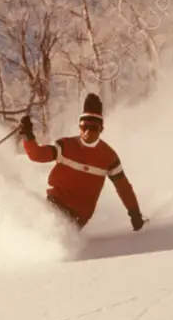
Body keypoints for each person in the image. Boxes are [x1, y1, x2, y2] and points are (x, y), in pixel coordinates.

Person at [18, 93, 145, 232]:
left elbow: (124, 188)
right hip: (54, 205)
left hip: (78, 217)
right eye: (84, 126)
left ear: (101, 129)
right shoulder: (66, 146)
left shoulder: (109, 157)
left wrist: (135, 214)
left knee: (55, 235)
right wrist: (27, 136)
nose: (88, 132)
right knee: (30, 226)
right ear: (79, 126)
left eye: (94, 127)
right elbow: (38, 155)